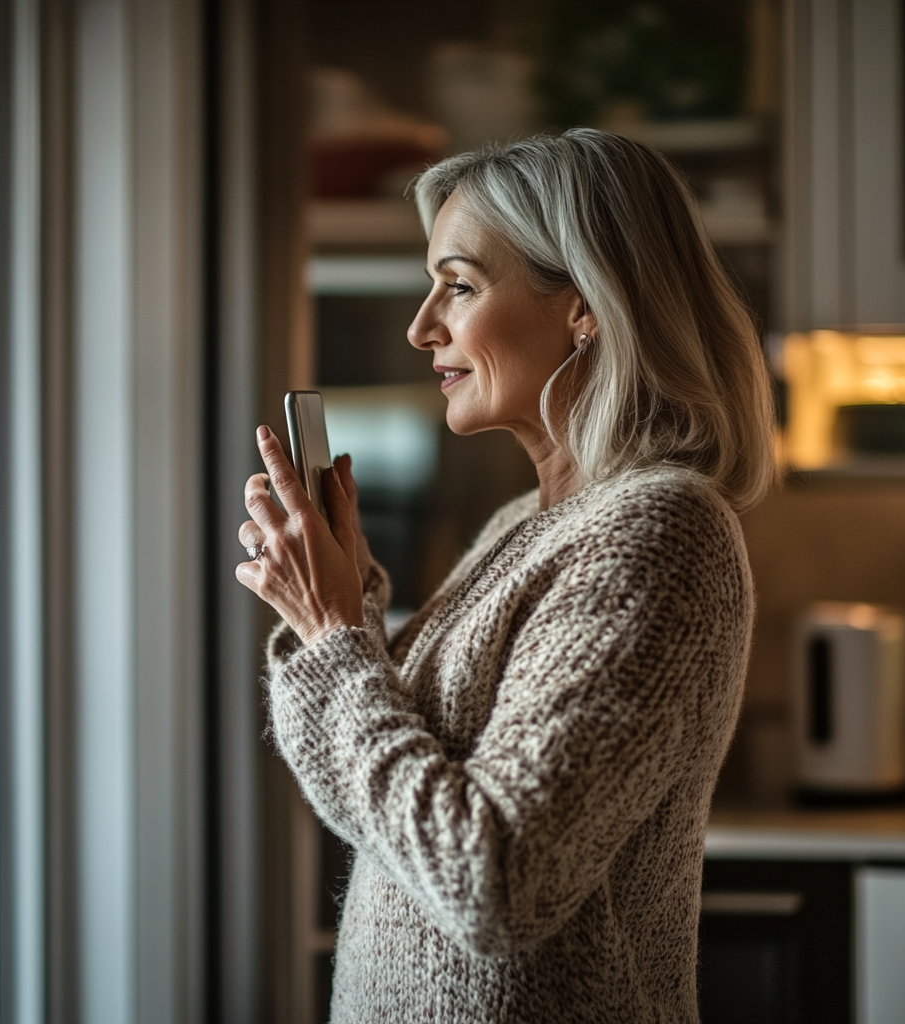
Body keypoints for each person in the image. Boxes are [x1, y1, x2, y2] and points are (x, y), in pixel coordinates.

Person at [236, 128, 776, 1023]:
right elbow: (381, 808)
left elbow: (493, 883)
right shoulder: (521, 528)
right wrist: (345, 609)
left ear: (586, 305)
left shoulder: (656, 533)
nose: (422, 327)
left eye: (459, 284)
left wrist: (336, 638)